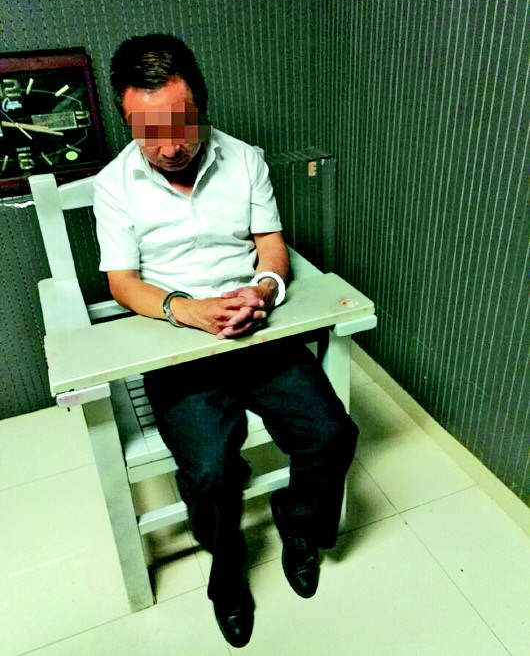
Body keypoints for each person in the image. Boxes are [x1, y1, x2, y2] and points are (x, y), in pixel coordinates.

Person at [93, 34, 358, 648]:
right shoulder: (114, 184)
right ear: (127, 119)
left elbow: (271, 246)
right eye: (147, 131)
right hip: (178, 341)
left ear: (202, 106)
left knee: (332, 433)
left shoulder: (244, 160)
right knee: (211, 470)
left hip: (255, 329)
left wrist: (263, 290)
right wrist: (188, 310)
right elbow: (123, 283)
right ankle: (227, 565)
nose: (168, 146)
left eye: (179, 125)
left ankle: (298, 524)